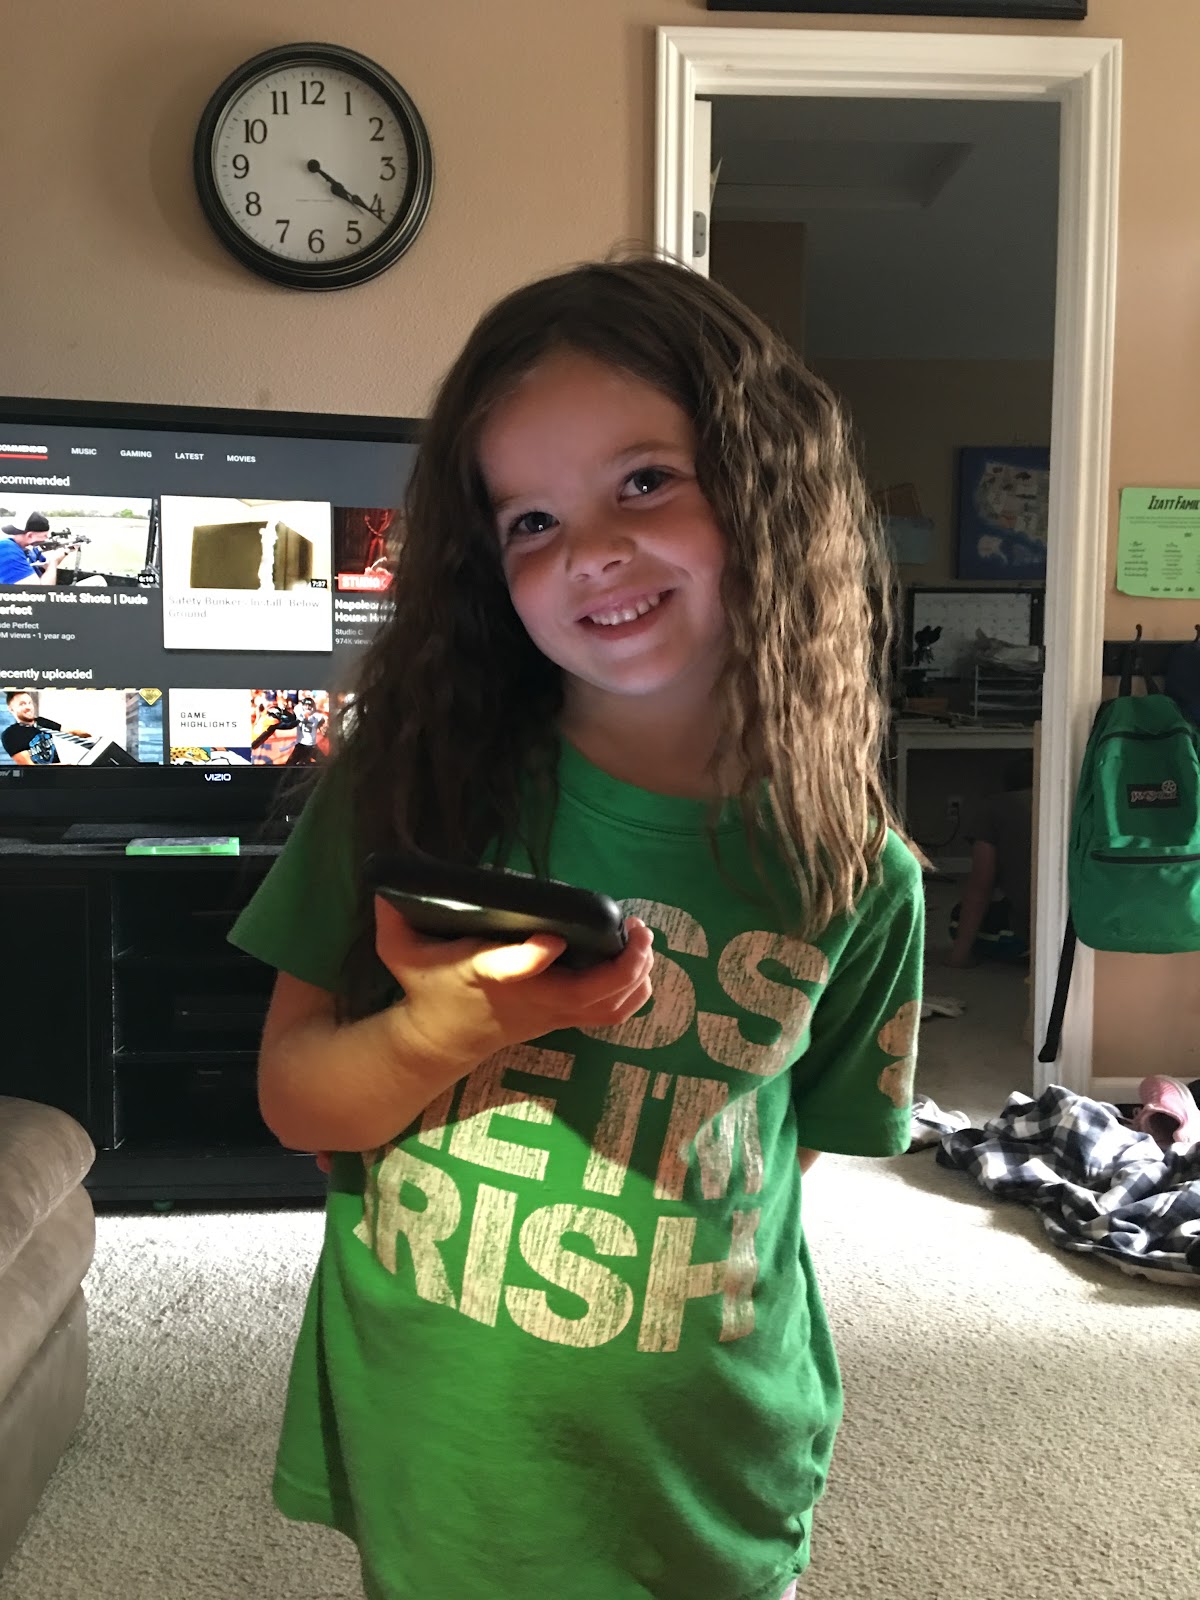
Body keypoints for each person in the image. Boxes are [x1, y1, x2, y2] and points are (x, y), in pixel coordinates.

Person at [228, 255, 925, 1600]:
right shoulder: (409, 792)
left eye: (645, 481)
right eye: (532, 520)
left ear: (766, 487)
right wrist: (446, 1028)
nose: (589, 550)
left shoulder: (856, 875)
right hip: (448, 1459)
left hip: (709, 1468)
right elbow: (297, 1098)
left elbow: (776, 1169)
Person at [945, 751, 1034, 967]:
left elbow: (981, 883)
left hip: (1026, 931)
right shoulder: (1069, 803)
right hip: (1076, 927)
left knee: (957, 919)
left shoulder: (995, 807)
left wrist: (959, 955)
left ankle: (1026, 947)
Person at [1, 689, 93, 765]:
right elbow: (29, 768)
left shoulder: (41, 722)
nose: (29, 707)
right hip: (39, 780)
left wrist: (93, 737)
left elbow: (70, 732)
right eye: (22, 704)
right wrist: (64, 766)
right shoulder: (10, 735)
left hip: (59, 775)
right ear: (11, 709)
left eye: (29, 703)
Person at [0, 512, 69, 586]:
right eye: (44, 535)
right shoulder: (6, 550)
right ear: (30, 536)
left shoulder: (30, 550)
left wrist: (64, 552)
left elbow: (47, 568)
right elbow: (39, 591)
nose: (46, 538)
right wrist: (54, 561)